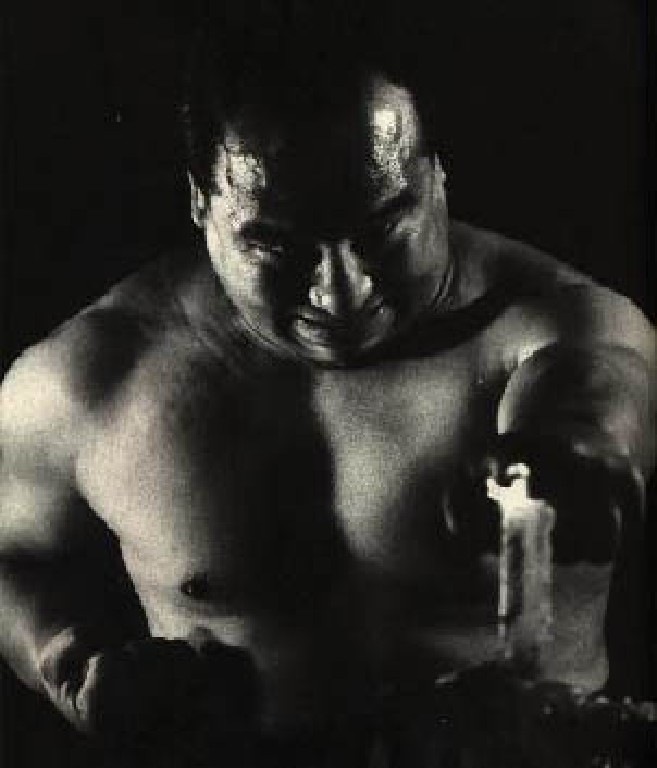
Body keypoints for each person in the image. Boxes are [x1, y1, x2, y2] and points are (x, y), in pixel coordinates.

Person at [0, 5, 654, 766]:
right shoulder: (89, 379)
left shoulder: (561, 325)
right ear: (200, 201)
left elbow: (596, 384)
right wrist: (69, 662)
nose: (341, 293)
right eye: (276, 245)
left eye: (381, 228)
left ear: (434, 174)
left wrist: (573, 442)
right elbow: (13, 554)